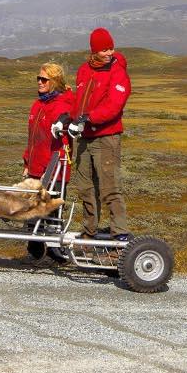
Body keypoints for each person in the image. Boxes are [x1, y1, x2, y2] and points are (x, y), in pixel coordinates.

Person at [68, 27, 131, 238]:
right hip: (85, 137)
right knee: (86, 187)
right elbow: (78, 102)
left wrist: (89, 118)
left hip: (106, 137)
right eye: (104, 49)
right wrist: (69, 118)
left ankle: (119, 235)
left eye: (111, 48)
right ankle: (89, 231)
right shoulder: (84, 70)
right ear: (94, 50)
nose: (108, 53)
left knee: (110, 188)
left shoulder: (118, 72)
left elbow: (115, 105)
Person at [24, 62, 71, 194]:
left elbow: (63, 144)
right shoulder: (37, 105)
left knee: (49, 213)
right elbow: (32, 139)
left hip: (53, 175)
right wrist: (27, 164)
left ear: (55, 82)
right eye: (38, 78)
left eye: (44, 79)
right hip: (35, 172)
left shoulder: (62, 106)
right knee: (31, 213)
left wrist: (50, 171)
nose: (39, 82)